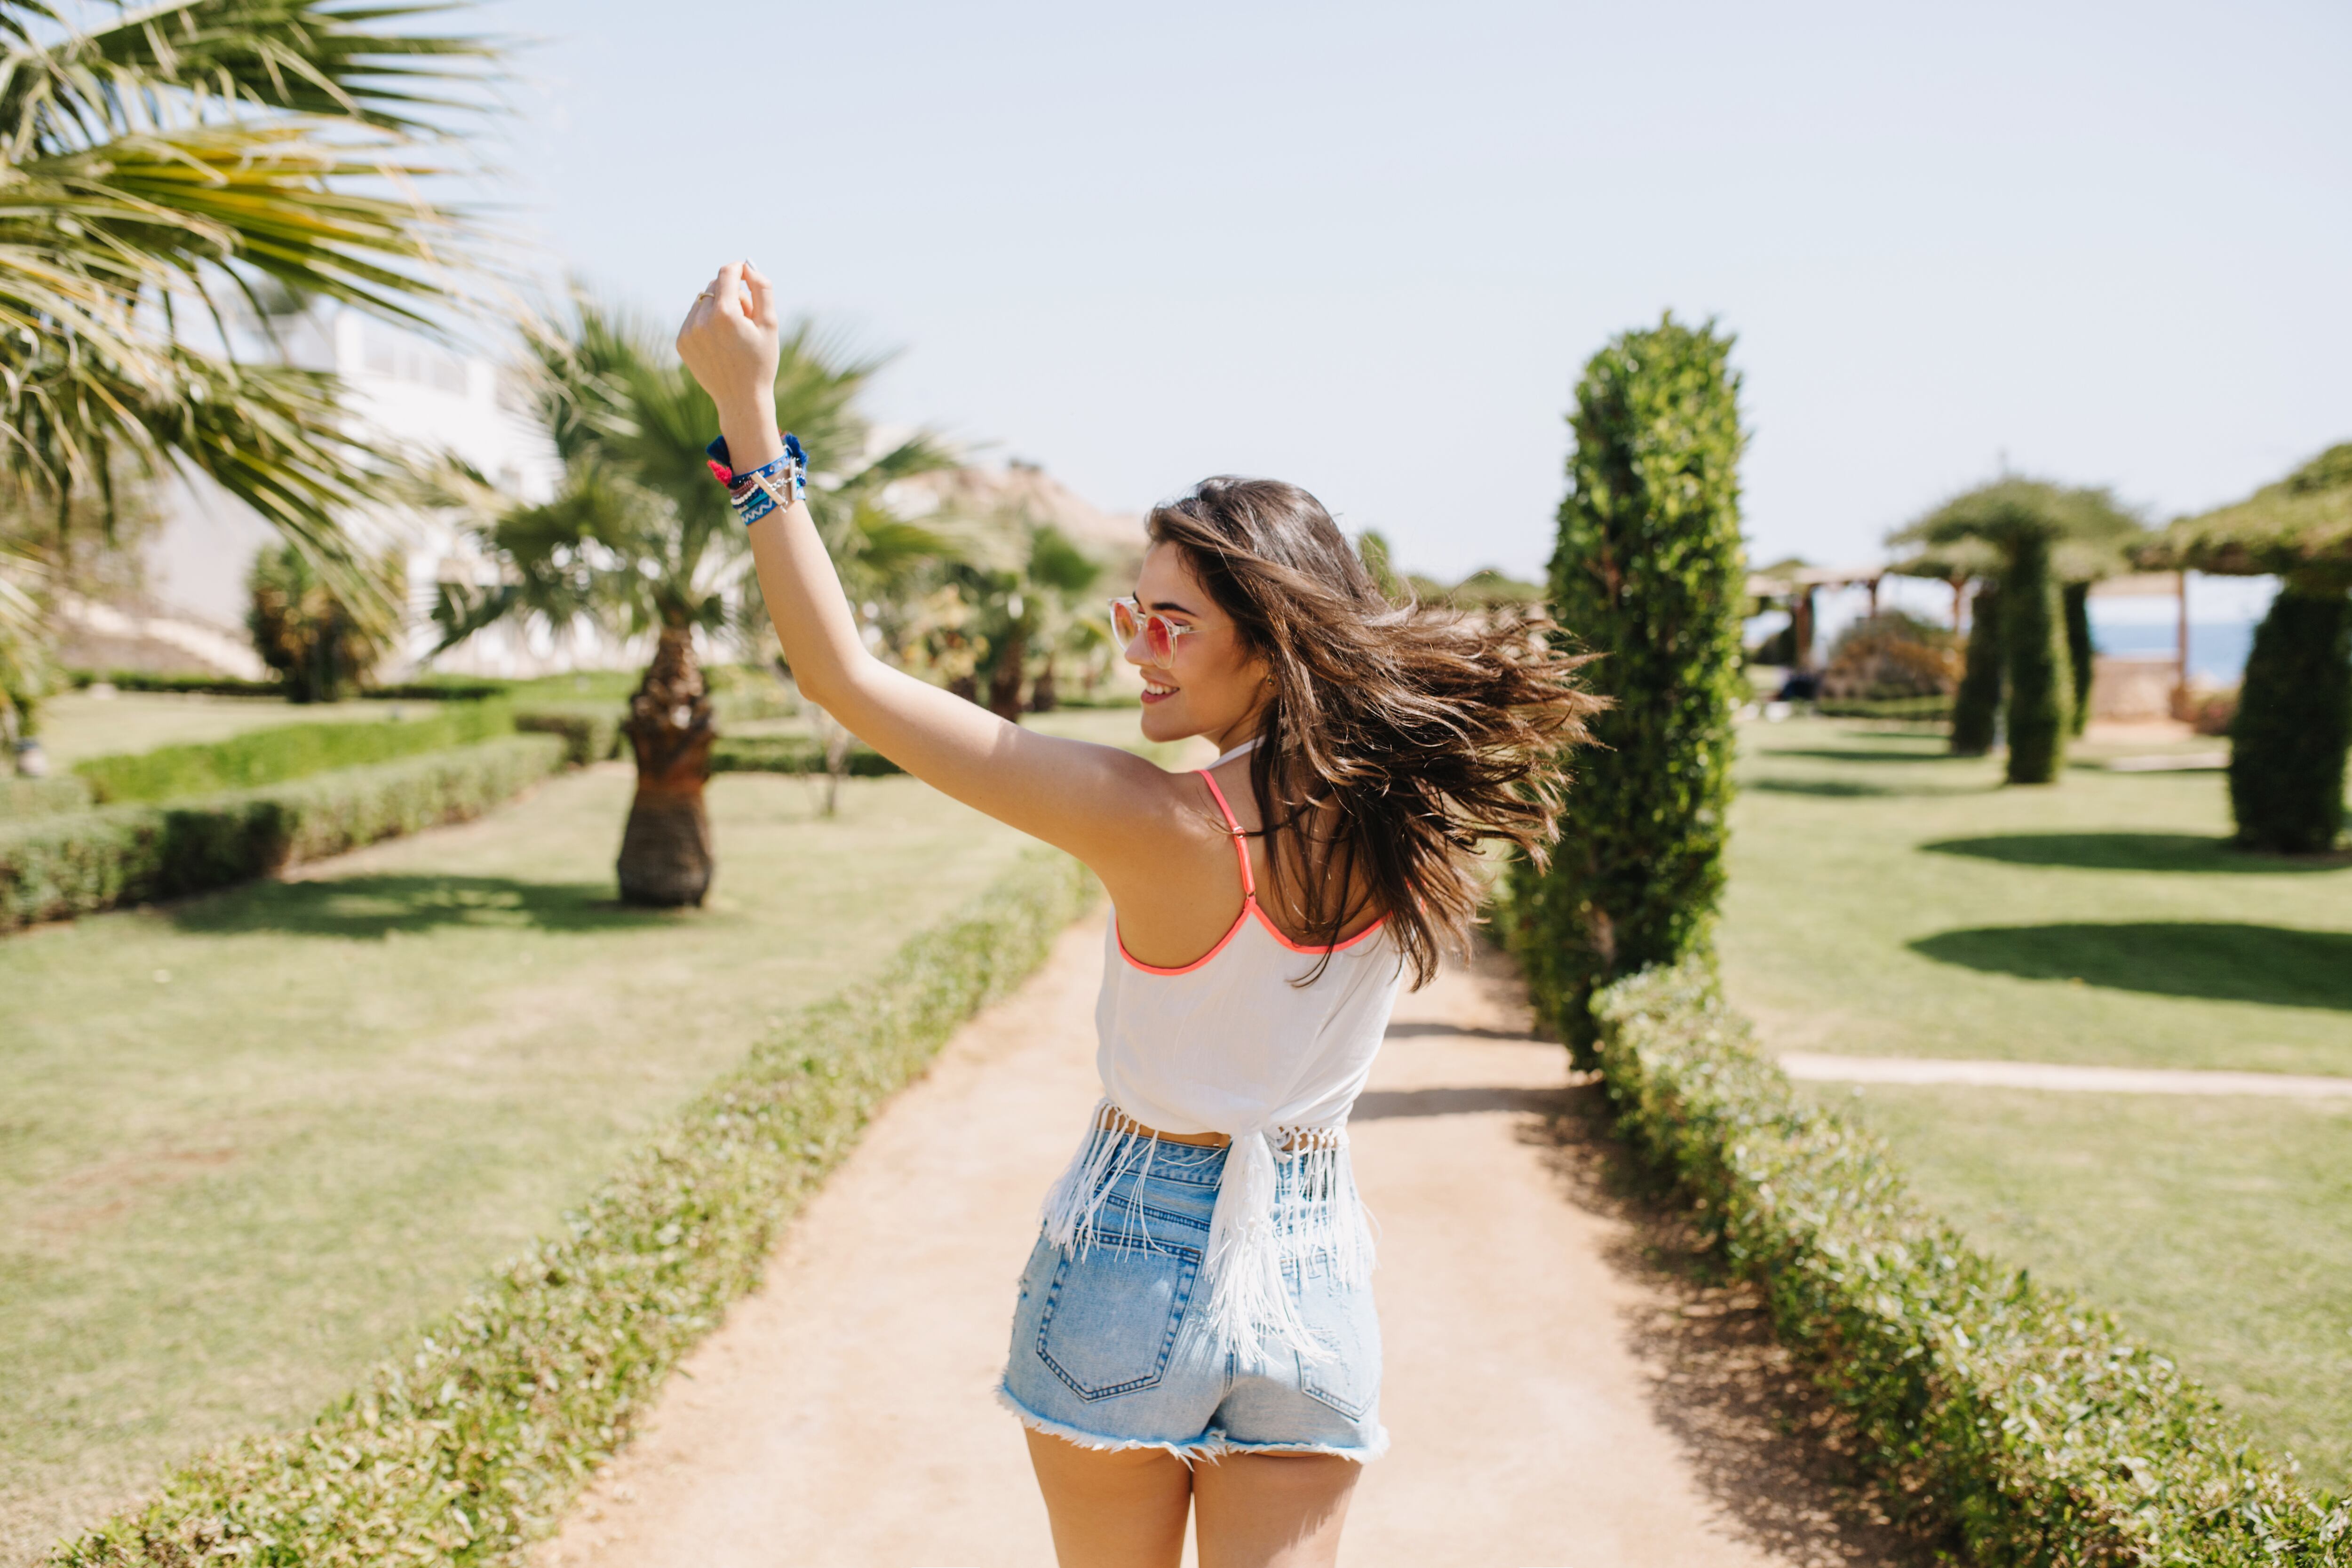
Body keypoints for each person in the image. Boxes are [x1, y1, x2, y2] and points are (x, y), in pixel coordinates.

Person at [677, 261, 1596, 1568]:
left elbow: (842, 675)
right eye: (1134, 613)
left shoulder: (1158, 820)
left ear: (1272, 645)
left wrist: (748, 413)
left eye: (1171, 621)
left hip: (1128, 1252)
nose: (1136, 647)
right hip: (1312, 1276)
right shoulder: (1411, 827)